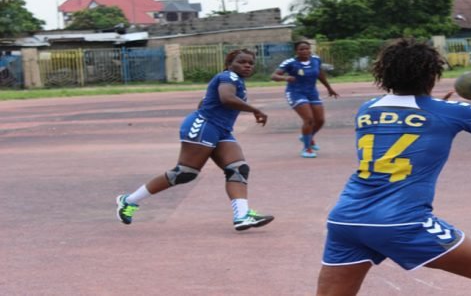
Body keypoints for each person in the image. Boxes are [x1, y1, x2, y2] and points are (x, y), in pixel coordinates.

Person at [316, 39, 471, 296]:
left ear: (383, 74)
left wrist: (435, 106)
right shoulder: (452, 112)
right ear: (432, 74)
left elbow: (405, 122)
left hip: (346, 219)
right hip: (402, 222)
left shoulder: (367, 109)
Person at [116, 48, 274, 231]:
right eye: (242, 62)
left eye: (250, 63)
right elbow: (226, 98)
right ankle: (128, 201)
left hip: (221, 130)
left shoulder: (236, 81)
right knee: (184, 173)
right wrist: (255, 109)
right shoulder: (228, 76)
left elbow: (205, 101)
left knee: (238, 169)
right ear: (230, 64)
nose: (247, 65)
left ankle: (242, 216)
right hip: (205, 126)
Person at [271, 40, 339, 158]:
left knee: (320, 120)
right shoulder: (291, 62)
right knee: (309, 119)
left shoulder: (316, 60)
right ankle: (307, 149)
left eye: (307, 48)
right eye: (301, 49)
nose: (305, 51)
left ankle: (307, 136)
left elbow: (320, 74)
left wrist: (329, 88)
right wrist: (285, 78)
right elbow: (274, 76)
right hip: (295, 93)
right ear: (296, 51)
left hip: (312, 93)